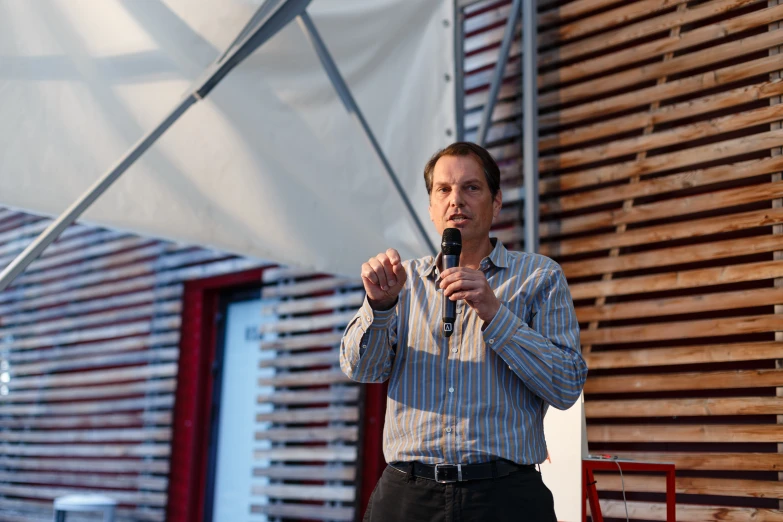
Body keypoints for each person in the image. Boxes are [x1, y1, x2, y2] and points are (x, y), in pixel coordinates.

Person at [340, 142, 587, 521]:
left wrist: (495, 313)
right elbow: (361, 369)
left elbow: (567, 385)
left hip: (505, 496)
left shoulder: (540, 277)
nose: (456, 200)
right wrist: (380, 307)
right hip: (408, 497)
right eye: (444, 190)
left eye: (471, 188)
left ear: (497, 201)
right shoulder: (402, 282)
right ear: (431, 208)